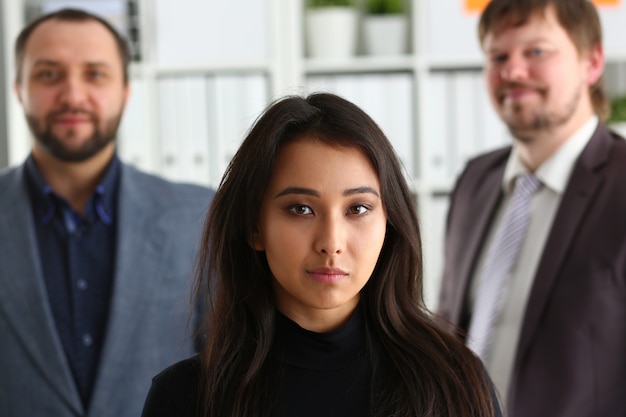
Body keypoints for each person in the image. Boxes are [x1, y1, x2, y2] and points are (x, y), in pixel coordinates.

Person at [140, 92, 502, 417]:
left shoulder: (454, 381)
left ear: (389, 224)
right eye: (301, 209)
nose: (331, 242)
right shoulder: (186, 398)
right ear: (254, 228)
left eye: (357, 209)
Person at [0, 8, 214, 417]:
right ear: (18, 88)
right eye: (48, 74)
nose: (73, 96)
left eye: (95, 74)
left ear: (125, 91)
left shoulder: (197, 216)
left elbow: (230, 374)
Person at [437, 0, 626, 416]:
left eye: (536, 51)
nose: (513, 71)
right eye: (498, 56)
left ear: (592, 61)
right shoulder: (474, 181)